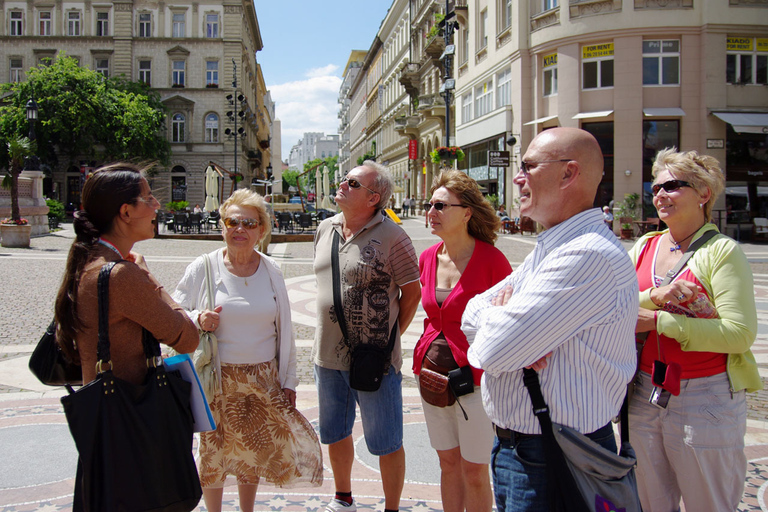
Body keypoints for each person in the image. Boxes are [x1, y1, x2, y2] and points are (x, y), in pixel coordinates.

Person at [462, 128, 639, 512]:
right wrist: (503, 318)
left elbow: (493, 349)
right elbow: (470, 312)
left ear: (568, 174)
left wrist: (502, 326)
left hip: (556, 451)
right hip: (527, 448)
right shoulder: (554, 247)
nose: (517, 177)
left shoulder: (585, 255)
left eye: (528, 166)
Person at [53, 163, 200, 509]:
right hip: (133, 423)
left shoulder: (87, 261)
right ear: (126, 211)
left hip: (105, 422)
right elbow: (187, 337)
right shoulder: (121, 274)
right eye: (149, 198)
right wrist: (150, 280)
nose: (156, 206)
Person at [173, 189, 323, 512]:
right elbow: (173, 311)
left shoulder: (271, 271)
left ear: (261, 230)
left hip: (261, 379)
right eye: (233, 221)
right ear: (222, 225)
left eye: (249, 223)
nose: (240, 229)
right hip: (215, 379)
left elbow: (284, 331)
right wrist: (198, 318)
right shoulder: (204, 266)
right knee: (213, 453)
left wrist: (289, 381)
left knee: (250, 455)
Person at [628, 148, 760, 512]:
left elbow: (739, 334)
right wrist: (655, 295)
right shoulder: (644, 246)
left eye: (672, 185)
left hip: (705, 396)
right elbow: (612, 304)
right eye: (655, 187)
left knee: (709, 504)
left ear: (704, 193)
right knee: (650, 502)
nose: (659, 195)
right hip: (644, 390)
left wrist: (659, 321)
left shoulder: (722, 252)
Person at [313, 160, 421, 512]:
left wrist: (388, 337)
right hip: (326, 356)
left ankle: (391, 507)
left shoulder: (393, 236)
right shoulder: (325, 228)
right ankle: (343, 497)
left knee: (386, 440)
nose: (343, 184)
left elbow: (412, 293)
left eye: (353, 183)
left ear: (374, 197)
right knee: (335, 432)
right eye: (345, 179)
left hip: (375, 360)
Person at [414, 169, 511, 512]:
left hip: (475, 380)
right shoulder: (427, 258)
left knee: (474, 470)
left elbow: (509, 322)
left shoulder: (492, 261)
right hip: (432, 375)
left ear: (467, 212)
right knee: (449, 464)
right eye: (431, 205)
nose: (432, 212)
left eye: (440, 205)